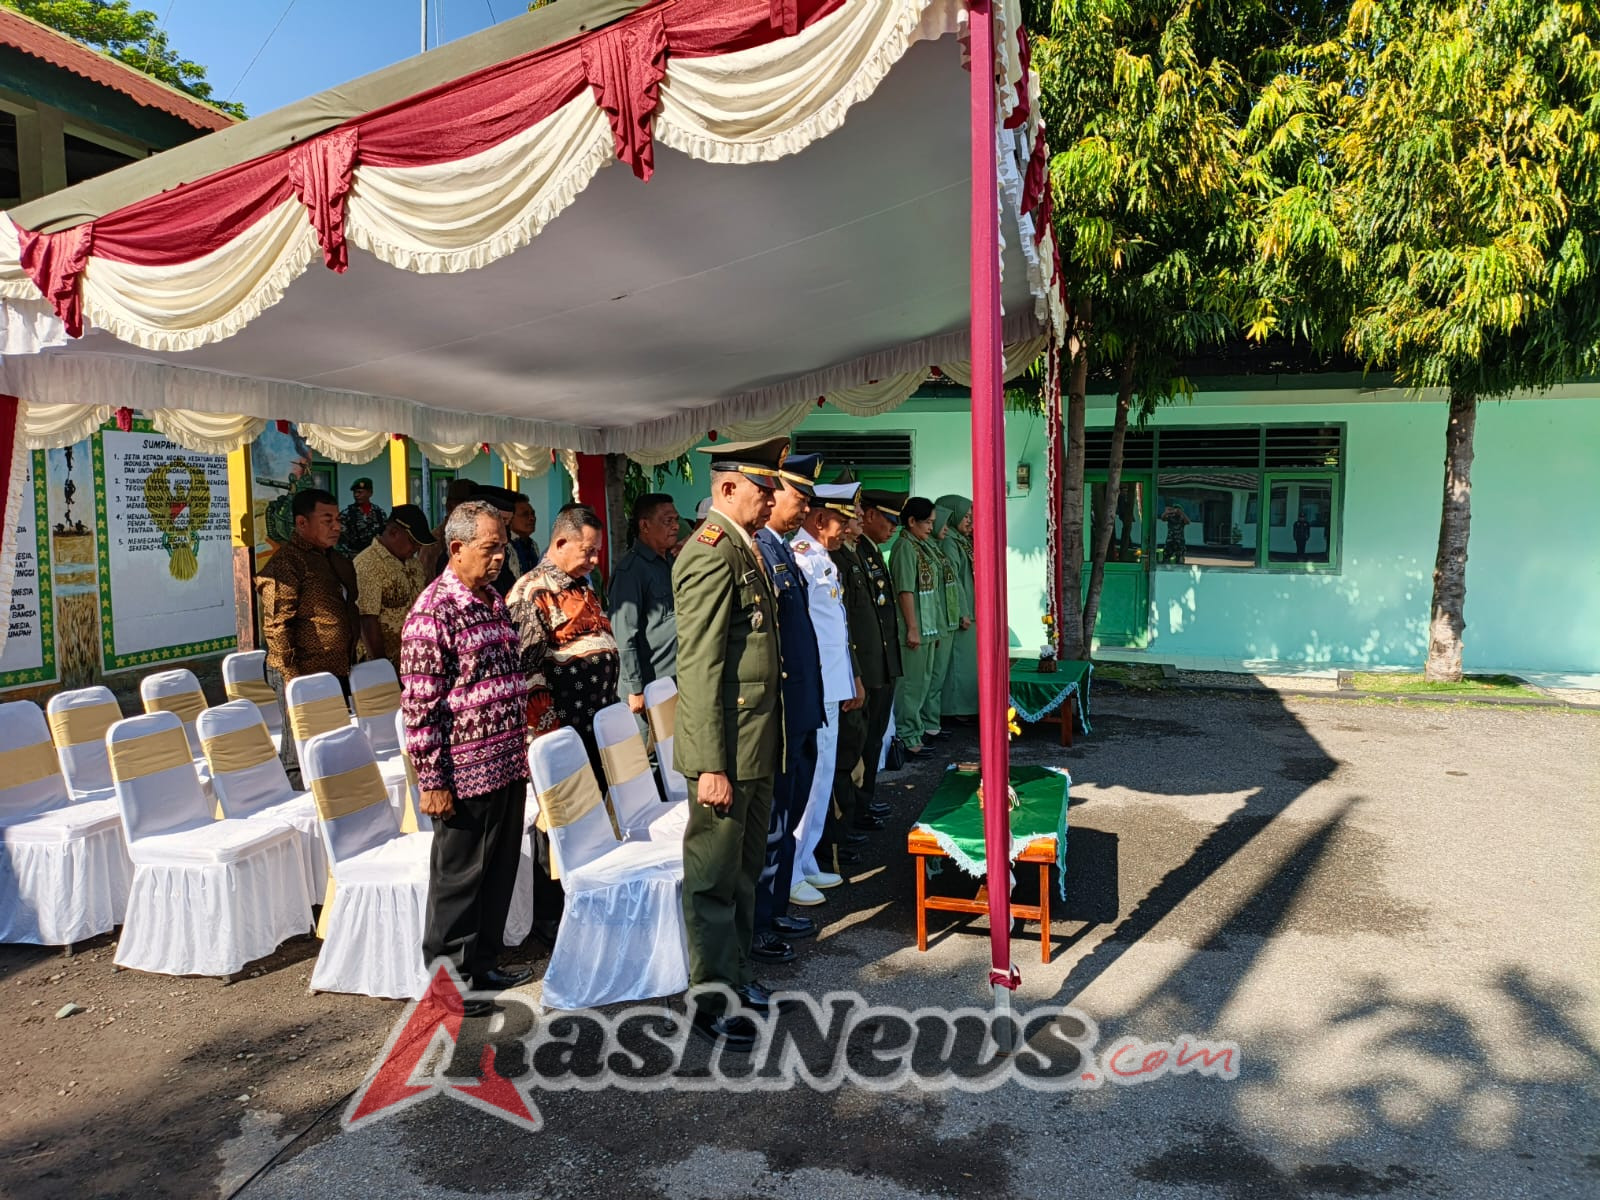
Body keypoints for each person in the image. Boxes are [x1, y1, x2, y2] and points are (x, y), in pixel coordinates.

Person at [672, 435, 787, 1050]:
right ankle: (710, 998)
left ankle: (737, 978)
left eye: (771, 489)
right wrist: (710, 764)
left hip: (755, 744)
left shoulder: (747, 549)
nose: (770, 498)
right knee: (713, 876)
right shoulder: (711, 554)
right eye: (762, 488)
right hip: (727, 751)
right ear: (727, 487)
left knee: (744, 872)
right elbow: (700, 668)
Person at [400, 499, 533, 1016]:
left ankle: (482, 962)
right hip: (462, 772)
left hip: (504, 761)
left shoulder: (491, 599)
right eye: (489, 548)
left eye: (502, 547)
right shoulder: (433, 614)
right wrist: (432, 779)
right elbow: (420, 706)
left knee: (496, 872)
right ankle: (449, 984)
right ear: (456, 549)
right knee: (459, 881)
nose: (499, 558)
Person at [505, 505, 617, 944]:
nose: (593, 559)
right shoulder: (532, 591)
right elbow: (529, 671)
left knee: (588, 817)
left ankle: (582, 898)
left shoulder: (582, 584)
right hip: (559, 729)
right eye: (587, 551)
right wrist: (550, 735)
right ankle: (552, 916)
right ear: (561, 542)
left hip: (593, 722)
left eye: (597, 552)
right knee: (557, 821)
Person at [753, 454, 825, 958]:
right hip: (780, 714)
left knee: (789, 816)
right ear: (772, 494)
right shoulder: (759, 550)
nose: (803, 510)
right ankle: (758, 925)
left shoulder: (783, 550)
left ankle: (775, 910)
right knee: (771, 827)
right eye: (797, 499)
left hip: (802, 708)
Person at [790, 481, 865, 897]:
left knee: (822, 776)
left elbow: (836, 628)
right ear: (820, 520)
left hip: (831, 683)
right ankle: (792, 870)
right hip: (815, 687)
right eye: (842, 522)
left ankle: (807, 858)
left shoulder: (822, 558)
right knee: (810, 776)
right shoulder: (802, 560)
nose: (847, 530)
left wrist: (848, 677)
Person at [255, 487, 359, 785]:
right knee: (299, 752)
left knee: (330, 746)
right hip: (298, 670)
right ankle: (298, 802)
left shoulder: (330, 558)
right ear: (302, 523)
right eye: (327, 520)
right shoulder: (286, 563)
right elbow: (276, 626)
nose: (337, 526)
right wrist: (292, 679)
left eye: (338, 519)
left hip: (332, 668)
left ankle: (334, 801)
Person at [830, 479, 893, 834]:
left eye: (855, 515)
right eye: (851, 515)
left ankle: (860, 807)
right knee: (848, 752)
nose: (854, 521)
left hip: (872, 665)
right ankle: (846, 822)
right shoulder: (834, 558)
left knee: (868, 743)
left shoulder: (855, 554)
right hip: (856, 670)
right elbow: (846, 624)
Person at [609, 492, 680, 714]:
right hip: (649, 687)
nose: (676, 527)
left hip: (675, 680)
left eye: (676, 520)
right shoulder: (630, 571)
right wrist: (635, 688)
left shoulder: (670, 562)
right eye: (668, 521)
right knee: (648, 747)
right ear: (645, 525)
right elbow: (624, 634)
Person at [856, 490, 904, 809]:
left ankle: (866, 800)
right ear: (870, 515)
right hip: (867, 667)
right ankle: (858, 805)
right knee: (861, 743)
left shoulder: (873, 553)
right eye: (888, 520)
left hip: (883, 665)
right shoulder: (856, 552)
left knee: (873, 739)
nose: (892, 529)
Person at [889, 497, 943, 755]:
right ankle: (907, 737)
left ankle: (916, 730)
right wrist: (912, 627)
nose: (931, 527)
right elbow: (905, 591)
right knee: (911, 685)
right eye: (927, 522)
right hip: (914, 627)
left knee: (923, 682)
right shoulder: (905, 548)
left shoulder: (922, 546)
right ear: (911, 521)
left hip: (927, 627)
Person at [353, 503, 433, 669]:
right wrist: (383, 668)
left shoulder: (414, 564)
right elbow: (367, 620)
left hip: (414, 661)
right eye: (413, 542)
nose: (417, 548)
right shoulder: (368, 564)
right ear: (393, 532)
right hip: (380, 666)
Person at [935, 494, 978, 720]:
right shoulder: (950, 541)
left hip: (970, 609)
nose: (969, 521)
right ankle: (955, 709)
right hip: (962, 612)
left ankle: (964, 707)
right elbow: (953, 579)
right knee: (958, 663)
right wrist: (962, 610)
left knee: (966, 661)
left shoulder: (961, 540)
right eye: (965, 517)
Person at [421, 478, 477, 579]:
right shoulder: (433, 543)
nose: (475, 513)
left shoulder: (476, 536)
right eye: (469, 509)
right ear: (450, 506)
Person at [337, 477, 387, 557]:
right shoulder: (347, 514)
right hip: (354, 559)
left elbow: (384, 536)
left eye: (360, 492)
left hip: (375, 559)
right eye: (354, 492)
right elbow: (341, 541)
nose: (356, 495)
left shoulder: (380, 513)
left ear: (370, 493)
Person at [506, 494, 541, 581]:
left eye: (533, 514)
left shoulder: (532, 544)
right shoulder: (505, 546)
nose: (532, 518)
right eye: (525, 514)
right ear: (510, 518)